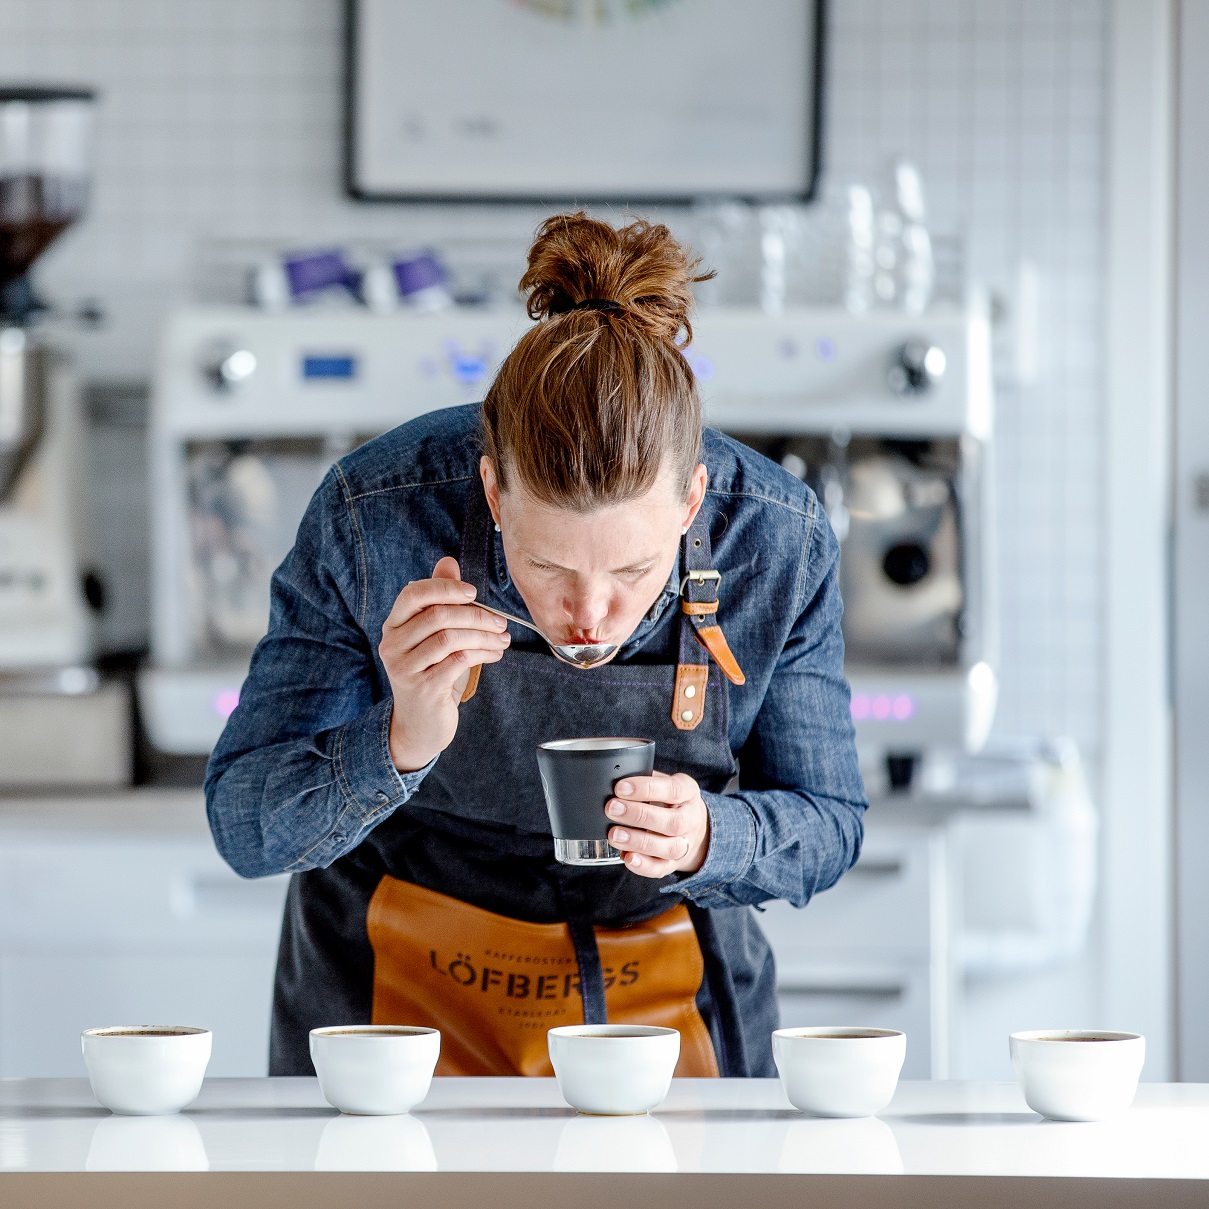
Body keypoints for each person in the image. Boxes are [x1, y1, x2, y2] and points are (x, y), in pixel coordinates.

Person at [205, 213, 867, 1078]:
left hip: (666, 1000)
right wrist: (396, 739)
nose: (587, 614)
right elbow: (243, 828)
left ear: (692, 498)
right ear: (490, 489)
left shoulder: (776, 539)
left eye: (632, 568)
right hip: (397, 1010)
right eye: (547, 564)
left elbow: (831, 822)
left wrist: (711, 836)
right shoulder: (373, 516)